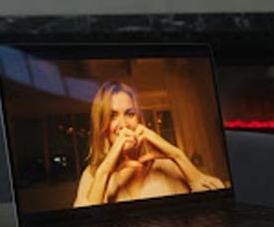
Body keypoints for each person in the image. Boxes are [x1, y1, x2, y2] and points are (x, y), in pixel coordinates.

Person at [74, 81, 224, 207]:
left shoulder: (165, 165)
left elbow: (217, 203)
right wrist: (105, 171)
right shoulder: (92, 174)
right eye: (112, 116)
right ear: (102, 126)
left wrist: (177, 155)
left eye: (130, 114)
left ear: (139, 119)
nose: (124, 124)